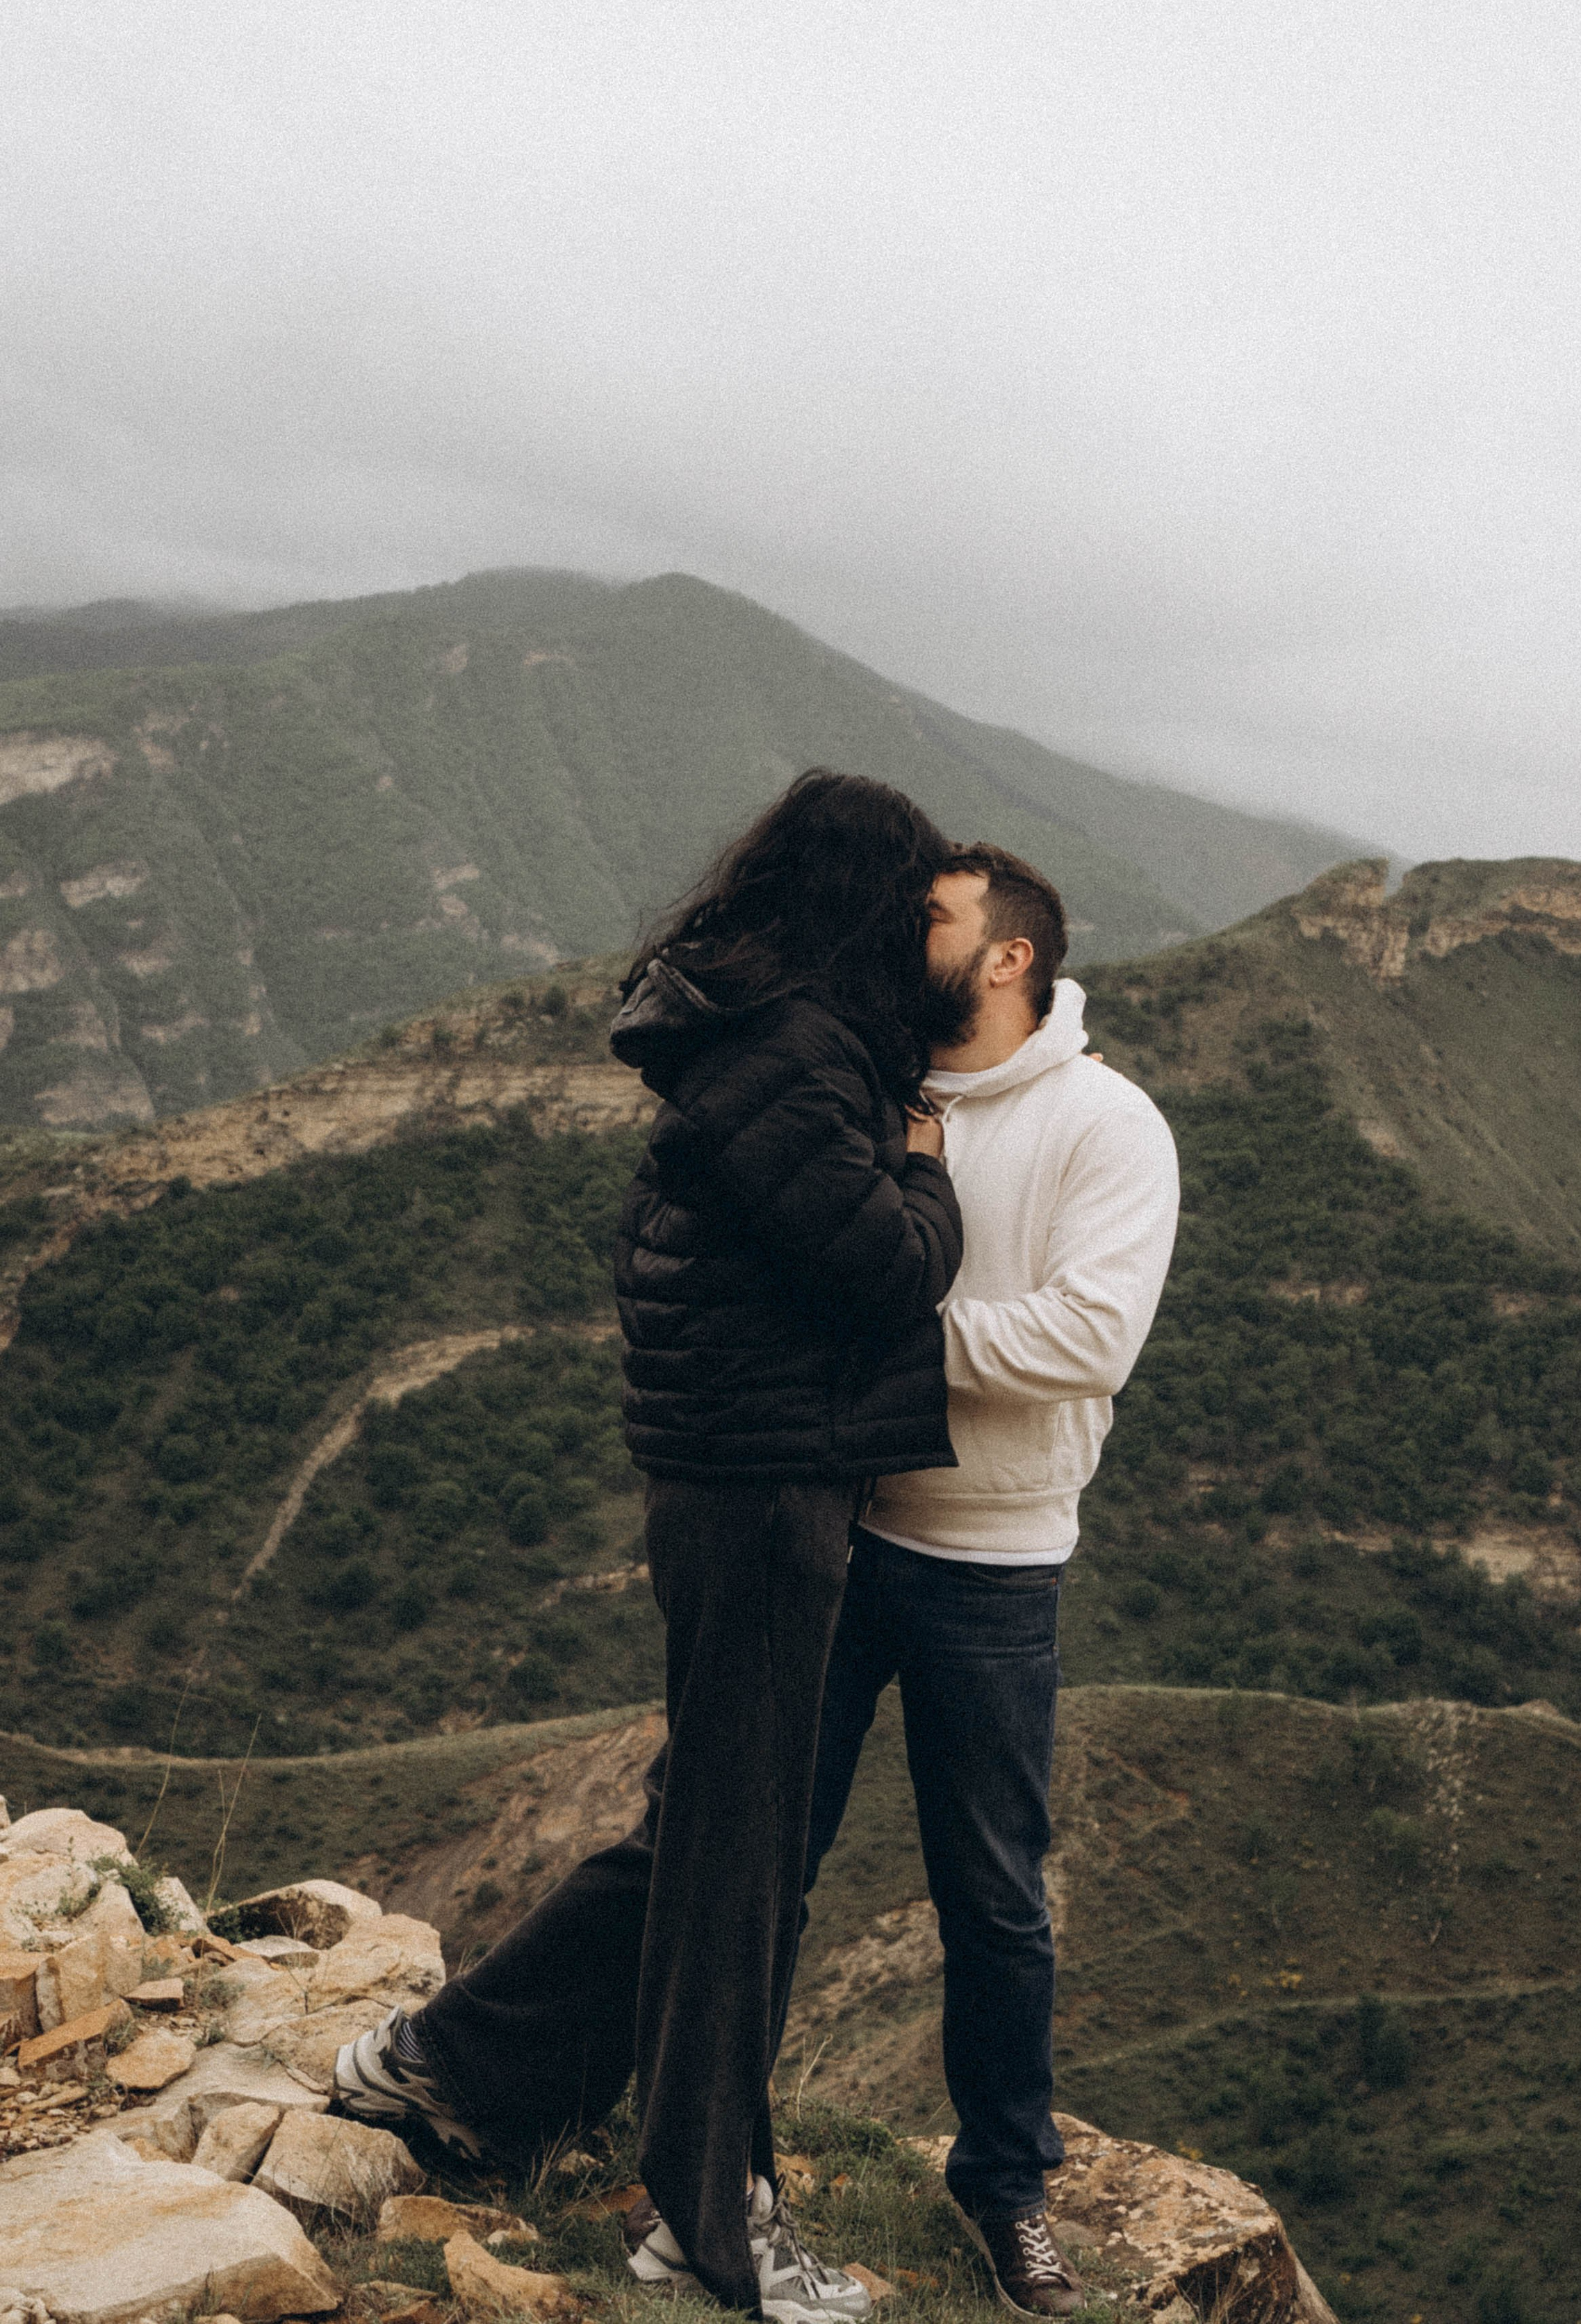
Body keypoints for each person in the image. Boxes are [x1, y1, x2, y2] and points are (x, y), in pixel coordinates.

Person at [333, 772, 965, 2324]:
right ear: (868, 904)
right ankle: (706, 2226)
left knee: (703, 1827)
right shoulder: (800, 1058)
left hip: (733, 1480)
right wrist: (930, 1159)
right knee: (736, 1868)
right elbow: (890, 1273)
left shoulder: (748, 1041)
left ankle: (443, 2061)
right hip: (760, 1496)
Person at [789, 844, 1180, 2318]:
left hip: (994, 1563)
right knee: (767, 1853)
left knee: (994, 1901)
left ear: (1008, 956)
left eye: (933, 920)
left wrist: (888, 1345)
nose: (907, 936)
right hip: (833, 1531)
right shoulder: (876, 1092)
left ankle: (1003, 2189)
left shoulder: (1107, 1124)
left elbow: (1089, 1338)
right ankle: (717, 2145)